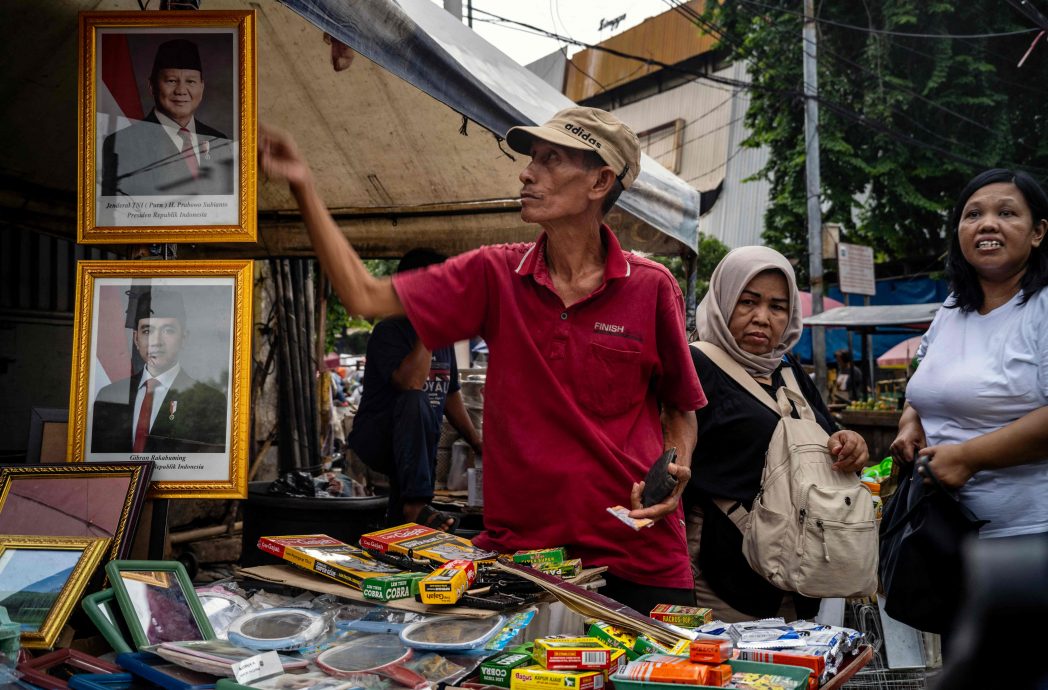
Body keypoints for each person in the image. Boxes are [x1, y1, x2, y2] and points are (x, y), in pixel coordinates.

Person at [260, 106, 705, 612]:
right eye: (531, 158)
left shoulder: (650, 288)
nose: (527, 172)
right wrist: (302, 186)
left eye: (550, 160)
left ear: (600, 180)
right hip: (523, 562)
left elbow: (679, 408)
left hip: (638, 555)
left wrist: (675, 467)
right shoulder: (495, 274)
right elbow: (364, 296)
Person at [684, 246, 869, 622]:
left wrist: (849, 443)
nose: (762, 318)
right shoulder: (695, 365)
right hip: (723, 575)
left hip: (800, 573)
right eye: (747, 302)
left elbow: (826, 439)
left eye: (777, 307)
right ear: (722, 300)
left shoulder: (788, 371)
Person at [891, 168, 1048, 538]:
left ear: (1038, 231)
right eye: (973, 214)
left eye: (1007, 213)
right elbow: (926, 378)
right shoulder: (951, 309)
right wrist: (911, 421)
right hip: (935, 526)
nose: (987, 224)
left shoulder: (1042, 308)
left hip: (1024, 534)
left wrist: (970, 457)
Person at [347, 249, 483, 530]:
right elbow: (410, 383)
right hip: (380, 441)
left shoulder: (442, 338)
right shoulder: (389, 332)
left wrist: (477, 442)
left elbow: (451, 394)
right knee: (414, 399)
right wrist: (426, 325)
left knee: (403, 532)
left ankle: (406, 526)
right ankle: (415, 506)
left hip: (418, 447)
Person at [92, 289, 227, 454]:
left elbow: (208, 467)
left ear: (183, 338)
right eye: (147, 331)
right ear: (136, 339)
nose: (156, 342)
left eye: (168, 331)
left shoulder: (209, 402)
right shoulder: (110, 395)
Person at [101, 39, 234, 197]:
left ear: (202, 87)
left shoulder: (219, 140)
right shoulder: (123, 143)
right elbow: (112, 214)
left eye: (191, 81)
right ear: (152, 86)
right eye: (171, 81)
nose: (181, 90)